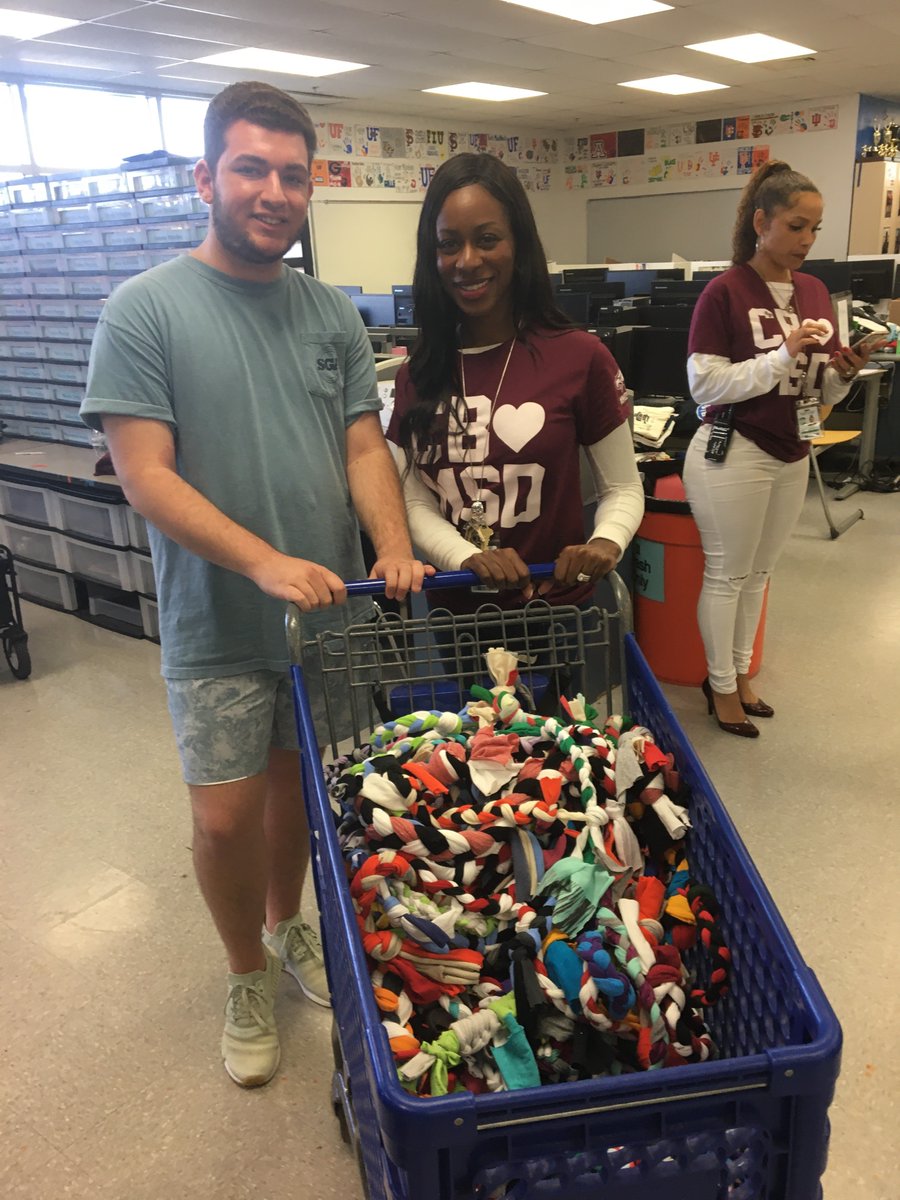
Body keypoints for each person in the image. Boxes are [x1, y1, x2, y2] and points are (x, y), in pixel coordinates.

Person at [80, 81, 427, 1088]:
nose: (273, 191)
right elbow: (146, 473)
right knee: (224, 817)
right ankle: (244, 975)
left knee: (297, 804)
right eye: (250, 168)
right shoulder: (143, 310)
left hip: (327, 625)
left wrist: (390, 543)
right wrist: (265, 561)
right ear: (206, 178)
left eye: (291, 173)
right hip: (219, 619)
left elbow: (365, 447)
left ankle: (287, 930)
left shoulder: (329, 315)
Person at [386, 152, 644, 656]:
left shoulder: (580, 357)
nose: (467, 261)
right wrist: (466, 557)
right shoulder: (419, 372)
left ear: (518, 244)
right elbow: (413, 499)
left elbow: (622, 487)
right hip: (454, 614)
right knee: (469, 736)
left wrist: (605, 541)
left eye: (487, 239)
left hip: (555, 610)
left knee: (555, 734)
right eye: (447, 244)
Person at [682, 160, 883, 737]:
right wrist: (782, 353)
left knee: (760, 574)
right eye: (797, 226)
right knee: (728, 574)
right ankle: (719, 685)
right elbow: (705, 384)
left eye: (815, 229)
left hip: (794, 449)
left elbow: (818, 384)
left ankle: (741, 675)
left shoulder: (816, 291)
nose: (807, 240)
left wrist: (845, 372)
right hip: (735, 448)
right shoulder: (724, 292)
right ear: (762, 222)